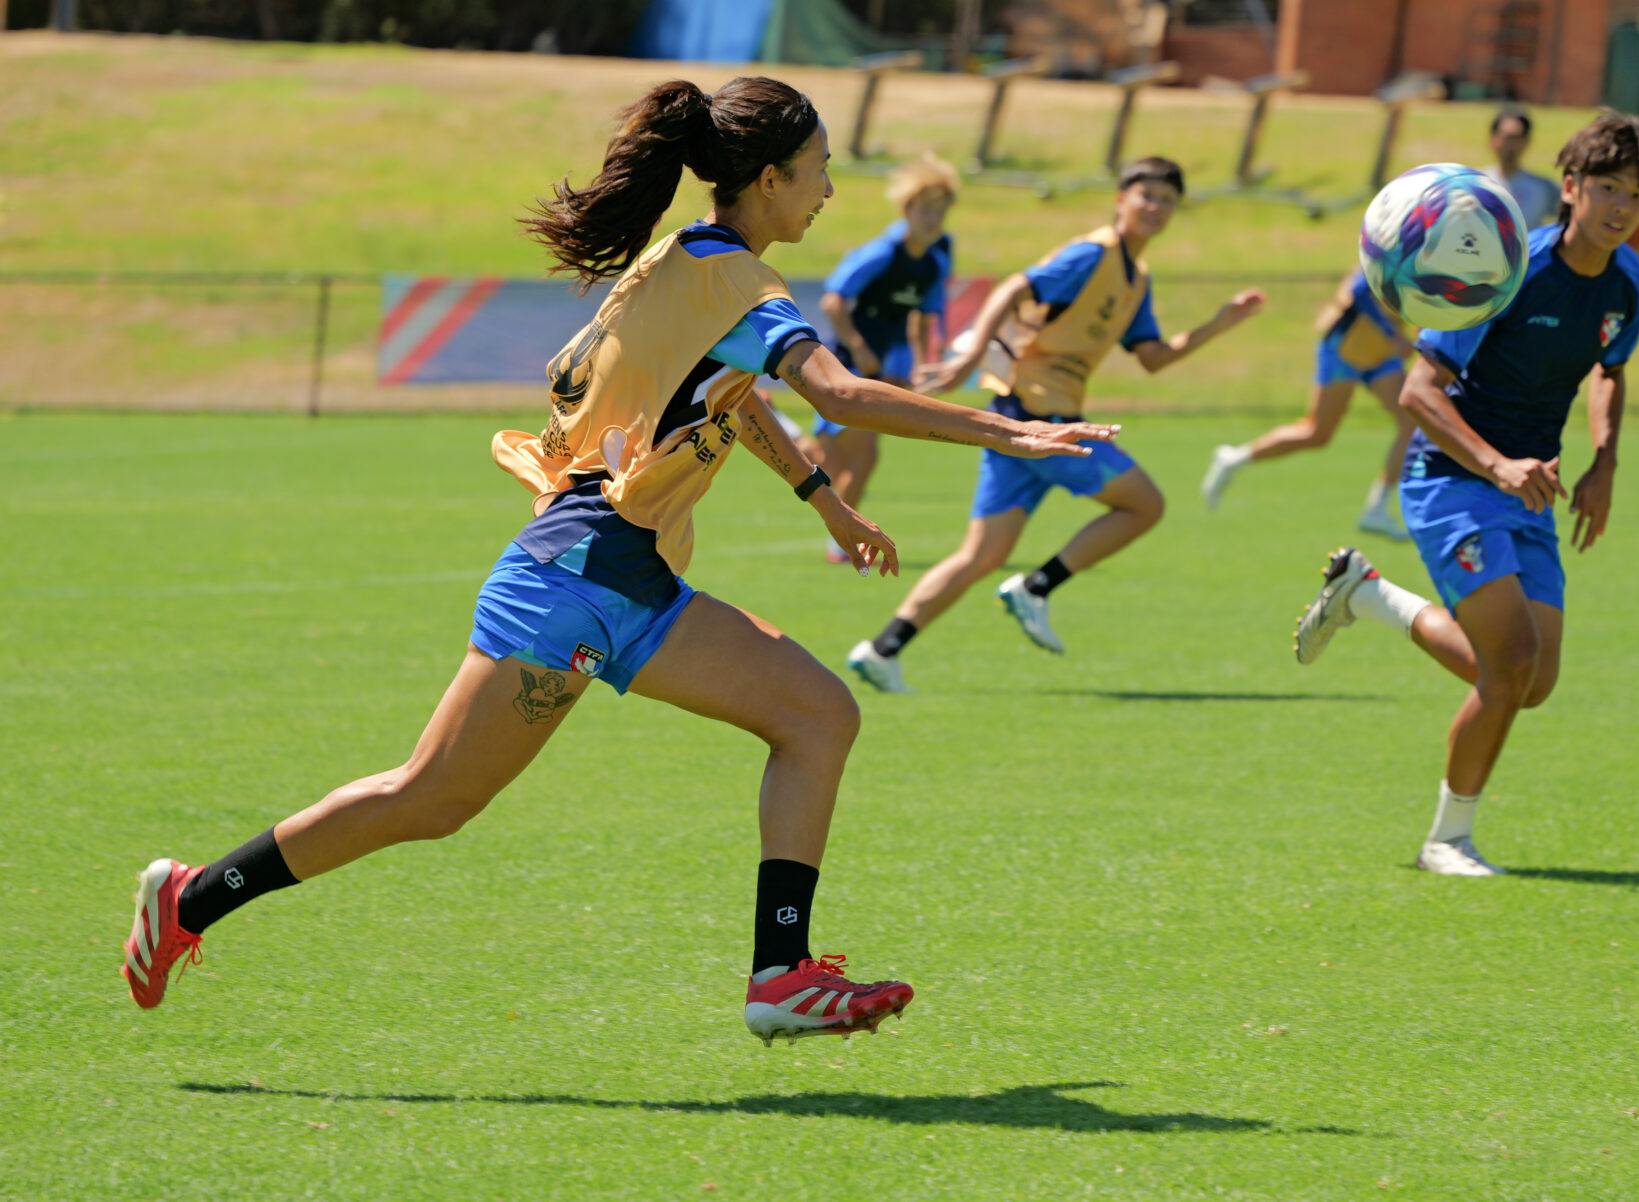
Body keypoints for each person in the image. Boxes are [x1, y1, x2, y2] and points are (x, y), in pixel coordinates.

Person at [118, 77, 1116, 1045]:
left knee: (814, 712)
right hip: (577, 575)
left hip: (625, 578)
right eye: (819, 168)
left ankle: (782, 975)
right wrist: (1007, 431)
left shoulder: (687, 261)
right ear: (768, 178)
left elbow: (731, 390)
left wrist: (821, 495)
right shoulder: (738, 278)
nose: (827, 189)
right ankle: (189, 894)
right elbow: (841, 394)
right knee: (432, 796)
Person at [1290, 110, 1639, 876]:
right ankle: (1446, 841)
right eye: (1607, 187)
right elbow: (1419, 393)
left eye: (1637, 193)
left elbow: (1610, 370)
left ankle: (1366, 597)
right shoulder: (1504, 270)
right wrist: (1496, 465)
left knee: (1534, 682)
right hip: (1454, 479)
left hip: (1530, 487)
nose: (1622, 206)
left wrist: (1605, 464)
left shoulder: (1633, 283)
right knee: (1510, 662)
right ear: (1569, 188)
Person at [845, 157, 1265, 692]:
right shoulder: (1093, 254)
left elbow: (1153, 356)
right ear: (1121, 199)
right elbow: (1015, 287)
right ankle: (1037, 588)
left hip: (1022, 418)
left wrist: (1219, 324)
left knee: (981, 555)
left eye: (1167, 199)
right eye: (1147, 195)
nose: (1156, 207)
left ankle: (882, 650)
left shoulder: (1136, 277)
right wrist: (974, 351)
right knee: (1144, 504)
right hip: (1035, 417)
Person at [808, 155, 959, 563]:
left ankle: (839, 535)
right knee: (855, 456)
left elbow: (925, 316)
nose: (932, 219)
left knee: (842, 456)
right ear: (907, 209)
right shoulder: (882, 253)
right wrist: (858, 348)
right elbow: (834, 300)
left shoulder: (934, 262)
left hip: (884, 366)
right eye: (925, 209)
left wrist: (923, 359)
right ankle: (841, 541)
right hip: (844, 362)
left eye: (940, 211)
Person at [1200, 268, 1418, 538]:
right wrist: (1391, 334)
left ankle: (1377, 509)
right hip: (1344, 346)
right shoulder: (1393, 241)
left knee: (1412, 420)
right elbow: (1359, 290)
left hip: (1380, 353)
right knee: (1317, 433)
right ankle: (1234, 459)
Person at [1486, 107, 1561, 230]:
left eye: (1517, 138)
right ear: (1493, 139)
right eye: (1507, 137)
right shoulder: (1475, 182)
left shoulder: (1544, 187)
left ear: (1526, 141)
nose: (1511, 145)